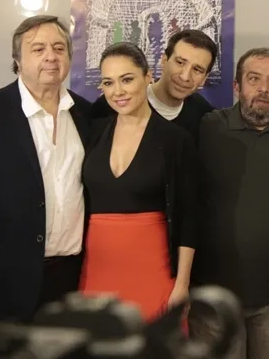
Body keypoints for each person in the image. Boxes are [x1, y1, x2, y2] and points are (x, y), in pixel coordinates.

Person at [0, 15, 92, 321]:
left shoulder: (88, 115)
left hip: (74, 281)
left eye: (59, 48)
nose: (51, 56)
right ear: (17, 60)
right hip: (4, 286)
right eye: (38, 49)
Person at [192, 47, 269, 359]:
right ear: (237, 86)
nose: (264, 89)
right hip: (215, 295)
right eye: (254, 79)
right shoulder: (208, 127)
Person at [79, 42, 197, 321]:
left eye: (127, 79)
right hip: (96, 268)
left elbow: (189, 216)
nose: (117, 91)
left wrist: (182, 284)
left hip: (153, 268)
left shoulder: (175, 140)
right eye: (108, 82)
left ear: (148, 77)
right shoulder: (92, 132)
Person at [91, 29, 217, 138]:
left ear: (205, 78)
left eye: (197, 70)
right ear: (164, 61)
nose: (185, 77)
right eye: (180, 62)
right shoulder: (112, 106)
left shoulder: (204, 115)